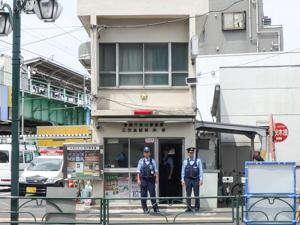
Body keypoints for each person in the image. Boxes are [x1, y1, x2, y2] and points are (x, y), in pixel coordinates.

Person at [137, 146, 160, 214]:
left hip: (151, 180)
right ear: (143, 153)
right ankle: (145, 208)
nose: (146, 153)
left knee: (153, 194)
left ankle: (155, 208)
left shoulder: (152, 161)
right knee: (144, 195)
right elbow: (138, 171)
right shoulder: (141, 161)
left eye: (147, 152)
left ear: (149, 153)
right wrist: (138, 180)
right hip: (143, 179)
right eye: (145, 152)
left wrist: (157, 178)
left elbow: (156, 171)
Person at [181, 147, 203, 213]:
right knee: (188, 194)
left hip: (196, 180)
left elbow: (201, 171)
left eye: (192, 153)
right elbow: (183, 172)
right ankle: (189, 207)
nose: (191, 154)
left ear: (194, 153)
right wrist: (182, 179)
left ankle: (197, 207)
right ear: (188, 153)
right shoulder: (185, 162)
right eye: (190, 153)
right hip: (187, 180)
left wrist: (201, 180)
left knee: (196, 194)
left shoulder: (198, 161)